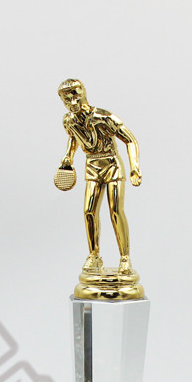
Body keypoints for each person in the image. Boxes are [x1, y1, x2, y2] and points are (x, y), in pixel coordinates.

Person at [56, 79, 141, 274]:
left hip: (111, 164)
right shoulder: (69, 121)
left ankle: (125, 258)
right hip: (92, 166)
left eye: (75, 97)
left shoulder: (103, 117)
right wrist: (69, 155)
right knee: (89, 211)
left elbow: (130, 140)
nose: (72, 102)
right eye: (67, 100)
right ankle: (94, 255)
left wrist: (134, 167)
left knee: (115, 211)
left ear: (83, 94)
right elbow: (73, 138)